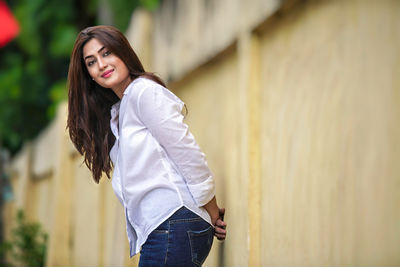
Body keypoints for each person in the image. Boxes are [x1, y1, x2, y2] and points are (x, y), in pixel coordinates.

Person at [67, 25, 226, 266]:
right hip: (167, 227)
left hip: (174, 221)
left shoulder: (144, 93)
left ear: (123, 52)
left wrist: (212, 211)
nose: (101, 64)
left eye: (107, 53)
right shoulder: (120, 112)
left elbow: (186, 152)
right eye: (91, 62)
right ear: (87, 73)